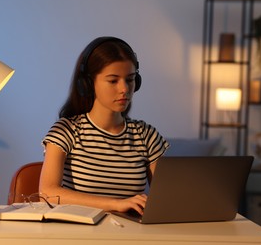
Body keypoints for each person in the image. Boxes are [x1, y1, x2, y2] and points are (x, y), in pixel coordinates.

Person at [40, 36, 169, 215]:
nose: (124, 89)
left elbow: (167, 199)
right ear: (87, 84)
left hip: (130, 236)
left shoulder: (146, 136)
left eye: (130, 79)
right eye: (113, 80)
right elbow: (48, 193)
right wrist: (116, 204)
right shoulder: (66, 131)